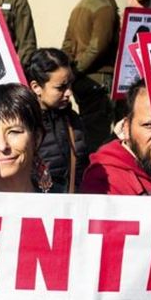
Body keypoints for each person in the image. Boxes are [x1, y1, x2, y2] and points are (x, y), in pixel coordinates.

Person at [62, 0, 121, 152]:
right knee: (99, 140)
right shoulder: (105, 6)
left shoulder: (81, 5)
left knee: (89, 134)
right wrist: (75, 71)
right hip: (98, 80)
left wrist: (70, 73)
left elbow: (67, 45)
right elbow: (97, 48)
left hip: (83, 81)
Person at [26, 48, 89, 193]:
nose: (69, 93)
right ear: (36, 87)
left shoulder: (72, 119)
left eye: (70, 84)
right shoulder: (25, 124)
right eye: (60, 88)